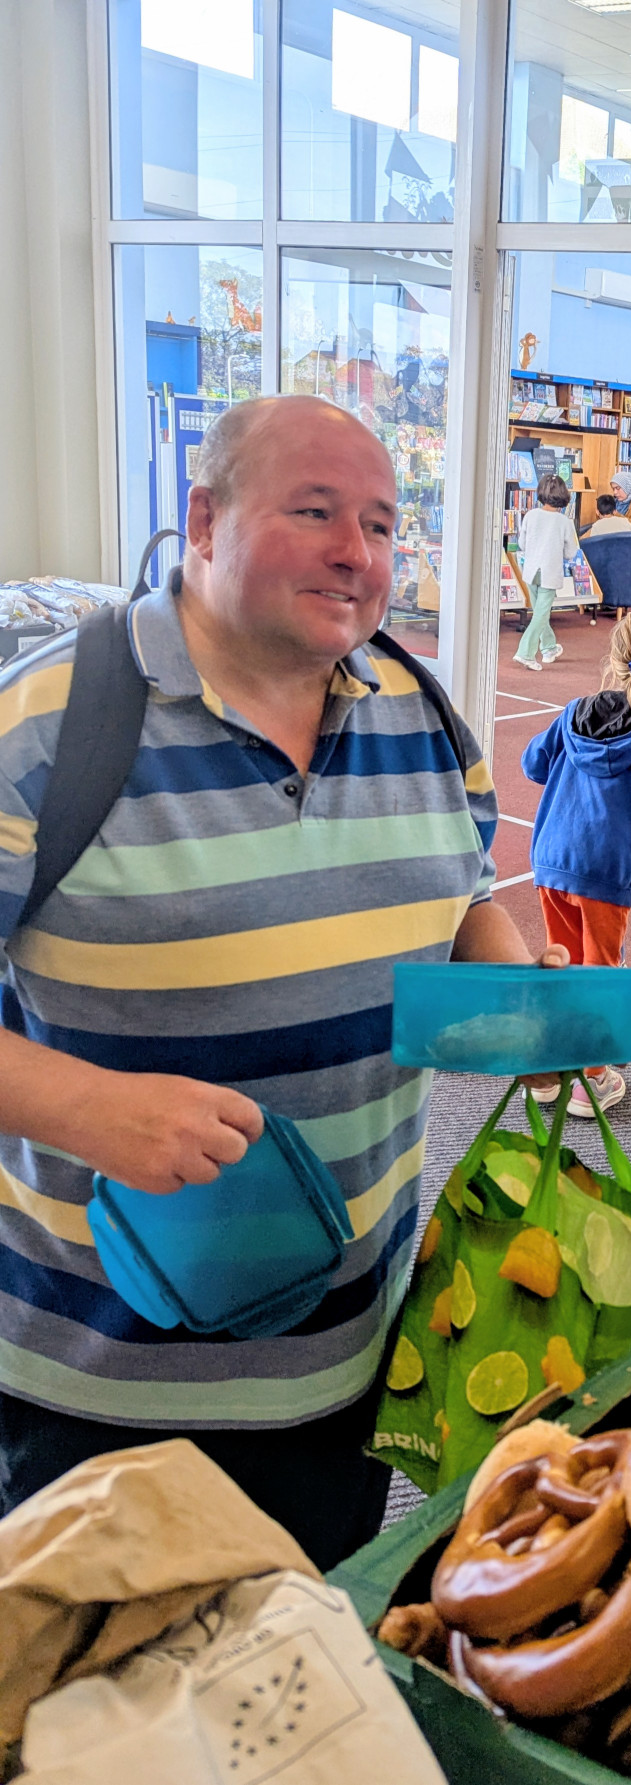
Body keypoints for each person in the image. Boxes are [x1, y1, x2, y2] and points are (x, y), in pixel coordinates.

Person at [0, 395, 566, 1565]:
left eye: (378, 520)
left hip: (348, 1356)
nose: (356, 551)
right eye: (313, 511)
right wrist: (86, 1109)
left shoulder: (422, 711)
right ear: (204, 520)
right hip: (102, 1390)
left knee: (307, 1684)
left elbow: (460, 896)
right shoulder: (47, 725)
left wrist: (518, 998)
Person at [522, 612, 631, 1114]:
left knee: (559, 962)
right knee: (601, 968)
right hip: (607, 868)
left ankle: (547, 1074)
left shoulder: (575, 710)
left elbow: (532, 764)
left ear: (613, 661)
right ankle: (592, 1078)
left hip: (553, 856)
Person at [515, 474, 579, 671]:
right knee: (541, 615)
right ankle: (525, 653)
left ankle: (549, 647)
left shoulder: (531, 515)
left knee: (539, 613)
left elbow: (521, 544)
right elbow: (570, 552)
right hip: (549, 573)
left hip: (530, 571)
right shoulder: (564, 522)